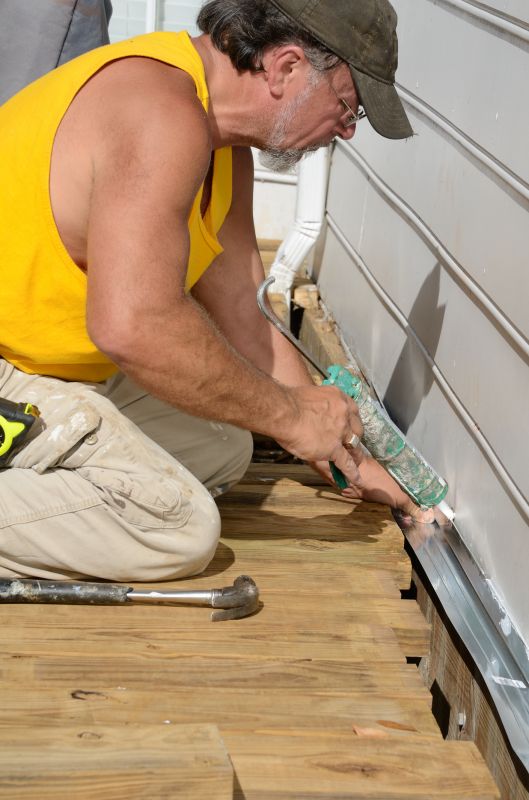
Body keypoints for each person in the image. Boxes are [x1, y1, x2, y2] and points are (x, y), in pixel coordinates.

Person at [0, 0, 432, 583]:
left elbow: (244, 316)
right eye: (346, 103)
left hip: (42, 364)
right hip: (9, 367)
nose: (348, 128)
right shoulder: (158, 115)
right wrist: (290, 415)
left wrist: (345, 456)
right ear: (284, 66)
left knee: (222, 443)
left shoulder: (219, 145)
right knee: (177, 527)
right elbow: (133, 325)